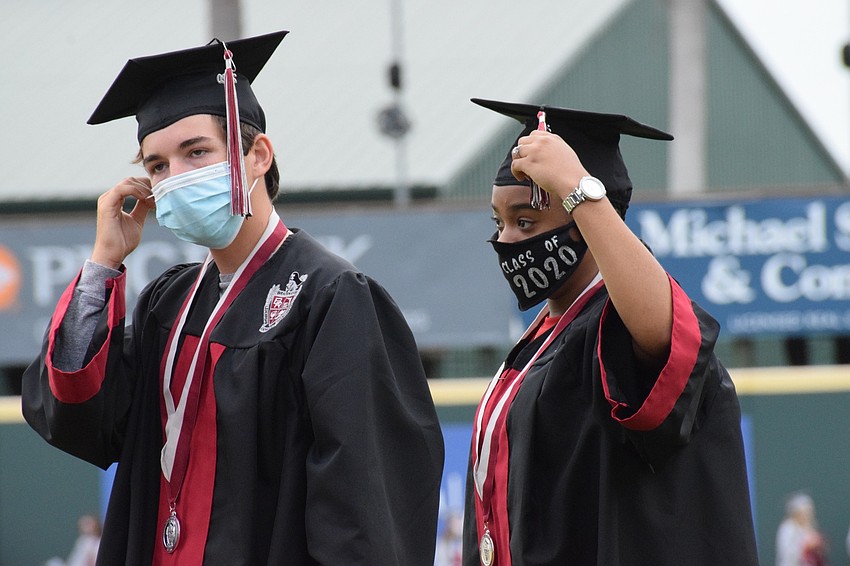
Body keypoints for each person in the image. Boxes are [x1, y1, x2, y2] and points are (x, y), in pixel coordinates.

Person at [22, 31, 444, 565]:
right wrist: (104, 263)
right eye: (157, 166)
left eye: (196, 153)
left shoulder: (330, 298)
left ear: (258, 154)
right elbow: (80, 419)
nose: (175, 178)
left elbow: (363, 506)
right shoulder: (167, 306)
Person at [461, 98, 759, 565]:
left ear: (587, 218)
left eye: (526, 221)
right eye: (499, 223)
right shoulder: (540, 342)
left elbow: (673, 339)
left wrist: (576, 186)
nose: (505, 241)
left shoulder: (617, 328)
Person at [776, 492, 827, 566]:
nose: (807, 515)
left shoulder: (811, 527)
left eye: (809, 511)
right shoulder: (787, 528)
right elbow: (786, 552)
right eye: (804, 512)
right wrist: (805, 546)